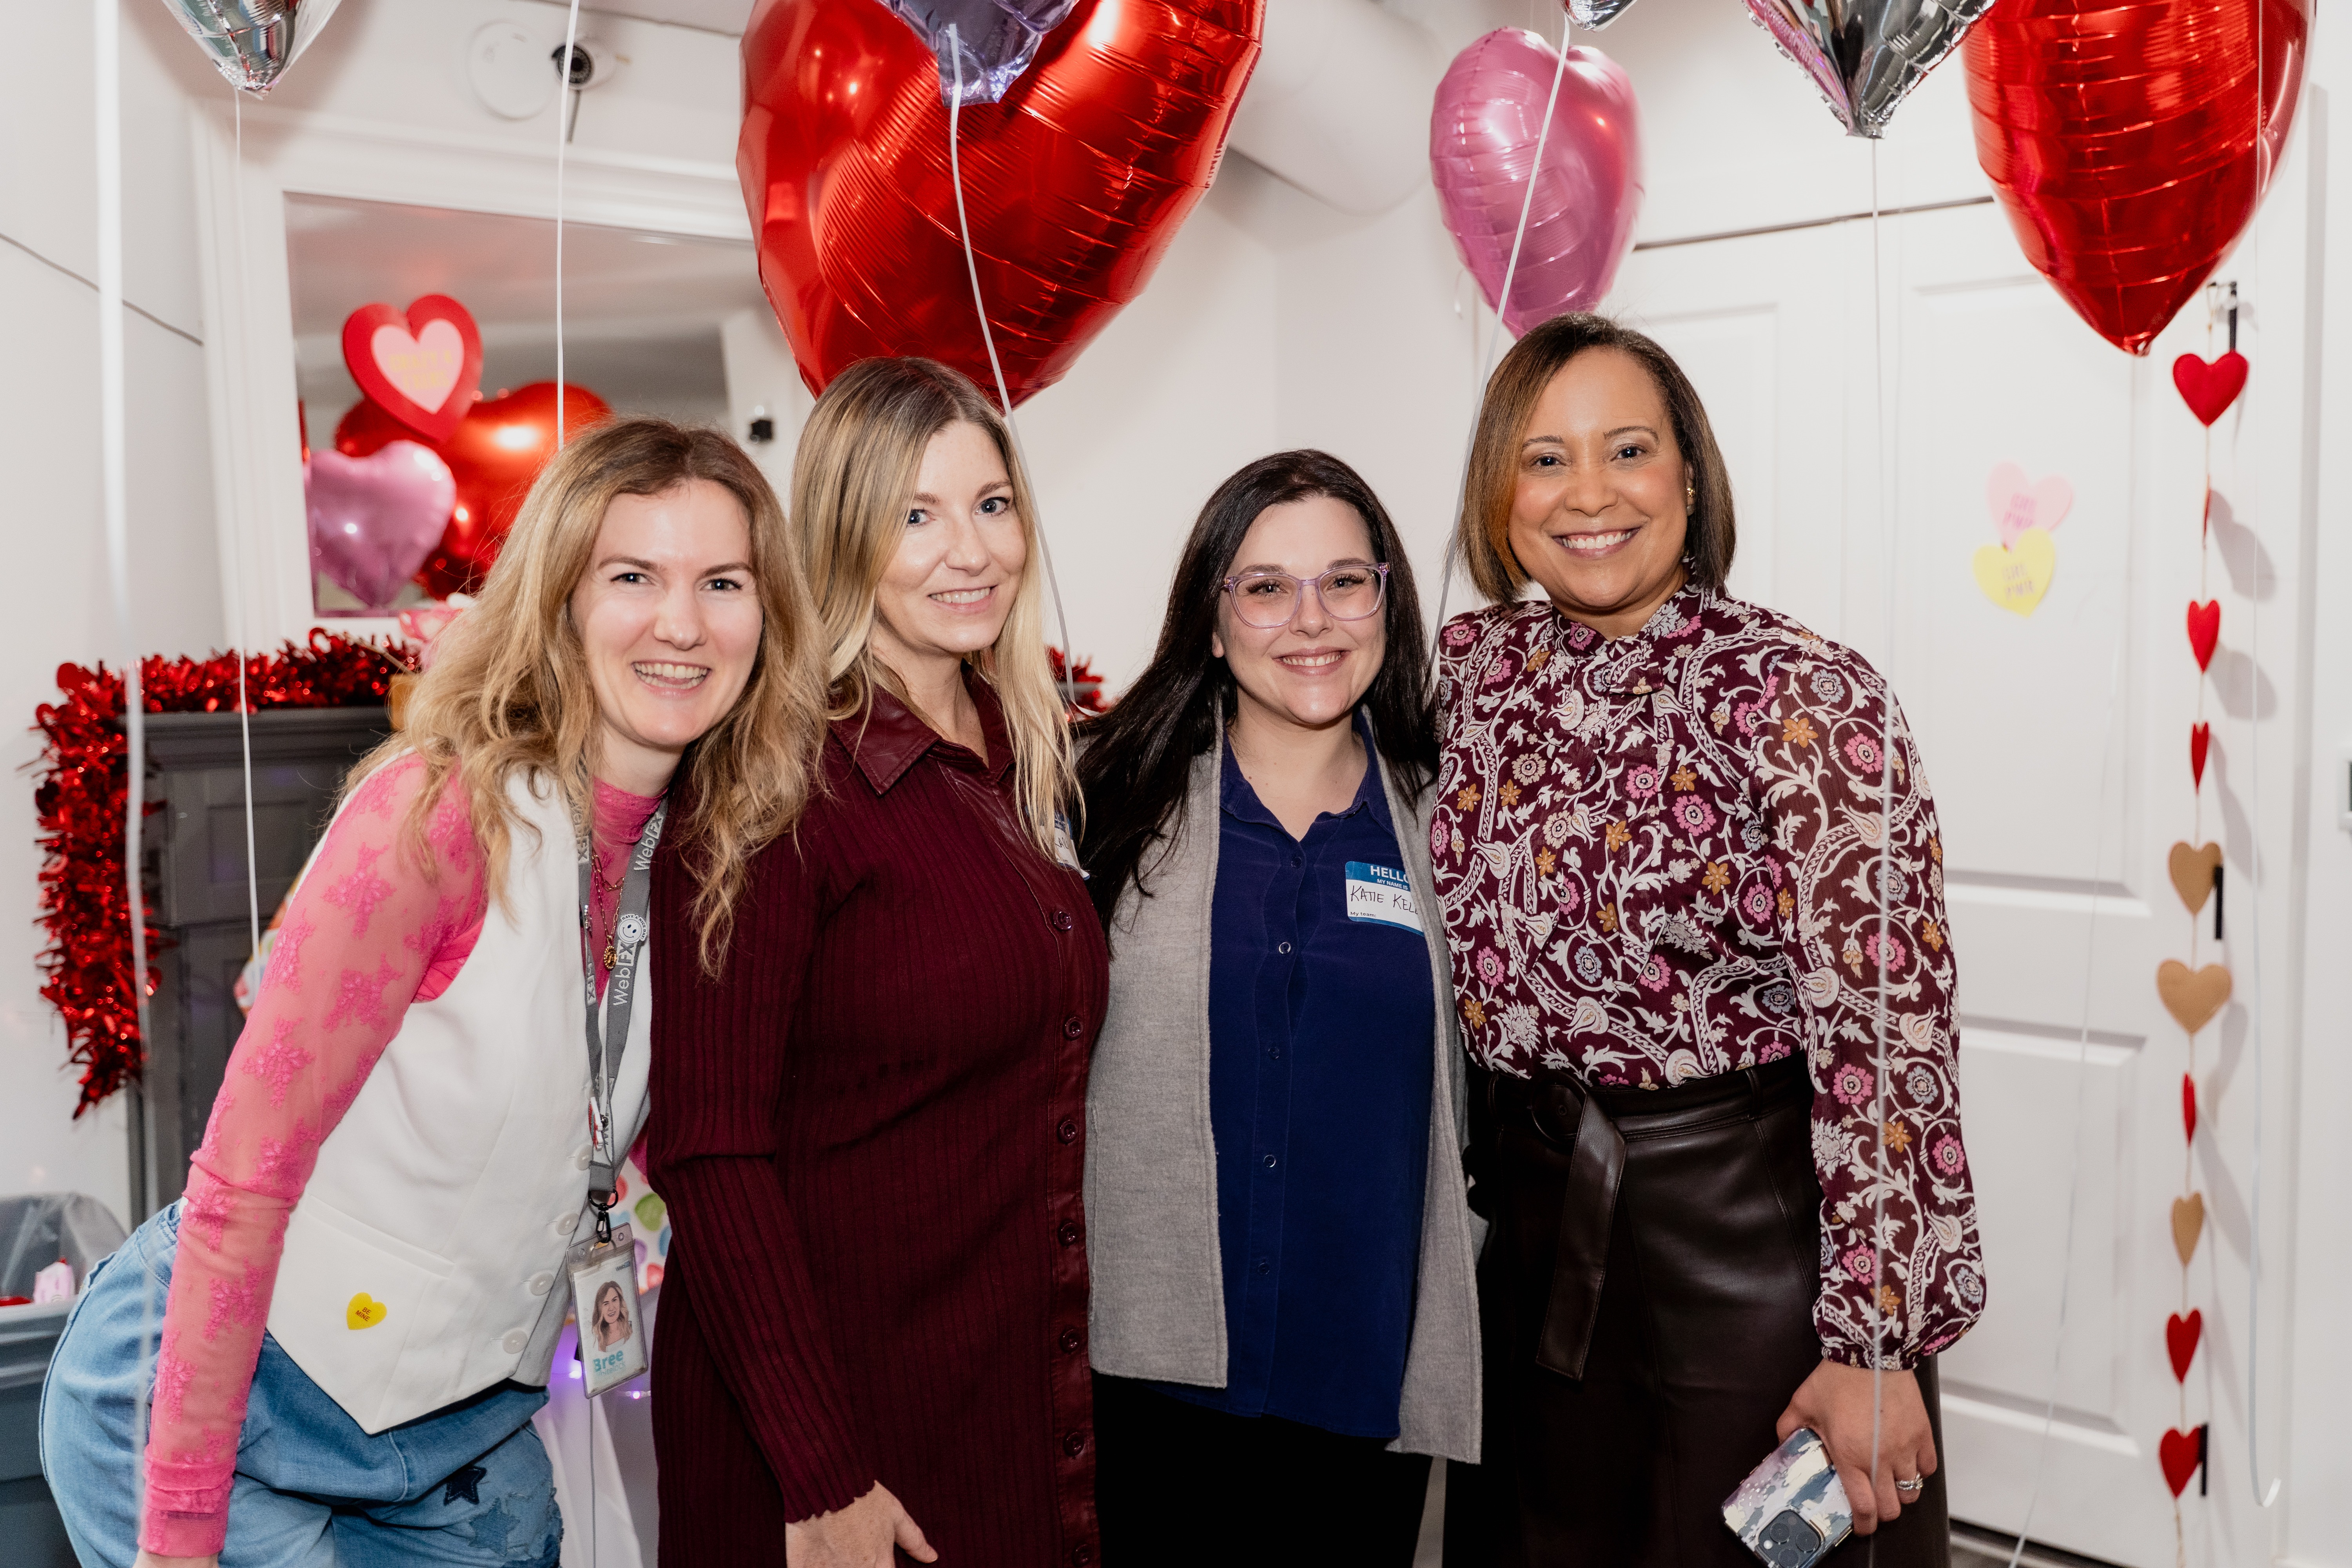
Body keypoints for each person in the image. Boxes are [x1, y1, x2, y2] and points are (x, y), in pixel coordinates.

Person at [40, 418, 828, 1568]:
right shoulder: (437, 818)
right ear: (560, 598)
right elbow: (244, 1180)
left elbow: (688, 1149)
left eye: (723, 581)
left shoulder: (720, 860)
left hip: (456, 1426)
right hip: (208, 1403)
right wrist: (181, 1537)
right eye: (632, 576)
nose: (682, 622)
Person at [1432, 314, 1985, 1567]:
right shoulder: (1475, 675)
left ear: (1689, 473)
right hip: (1531, 1246)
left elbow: (1888, 1040)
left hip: (1744, 1257)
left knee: (1749, 1553)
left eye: (1627, 449)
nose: (1589, 494)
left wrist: (1875, 1345)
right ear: (1499, 493)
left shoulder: (1804, 696)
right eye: (1543, 459)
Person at [644, 357, 1105, 1568]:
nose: (972, 551)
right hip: (830, 1437)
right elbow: (708, 1149)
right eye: (917, 515)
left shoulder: (1019, 754)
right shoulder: (772, 778)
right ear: (844, 537)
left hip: (999, 1401)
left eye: (992, 505)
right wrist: (822, 1472)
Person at [1076, 450, 1482, 1566]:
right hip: (1146, 1385)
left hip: (1359, 1388)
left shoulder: (1452, 825)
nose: (1312, 619)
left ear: (1387, 602)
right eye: (1266, 587)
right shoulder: (1109, 804)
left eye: (1345, 582)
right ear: (1212, 622)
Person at [591, 1282, 632, 1353]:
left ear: (620, 1302)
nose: (611, 1308)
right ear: (600, 1309)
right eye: (606, 1304)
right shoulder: (600, 1339)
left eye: (614, 1300)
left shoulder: (631, 1327)